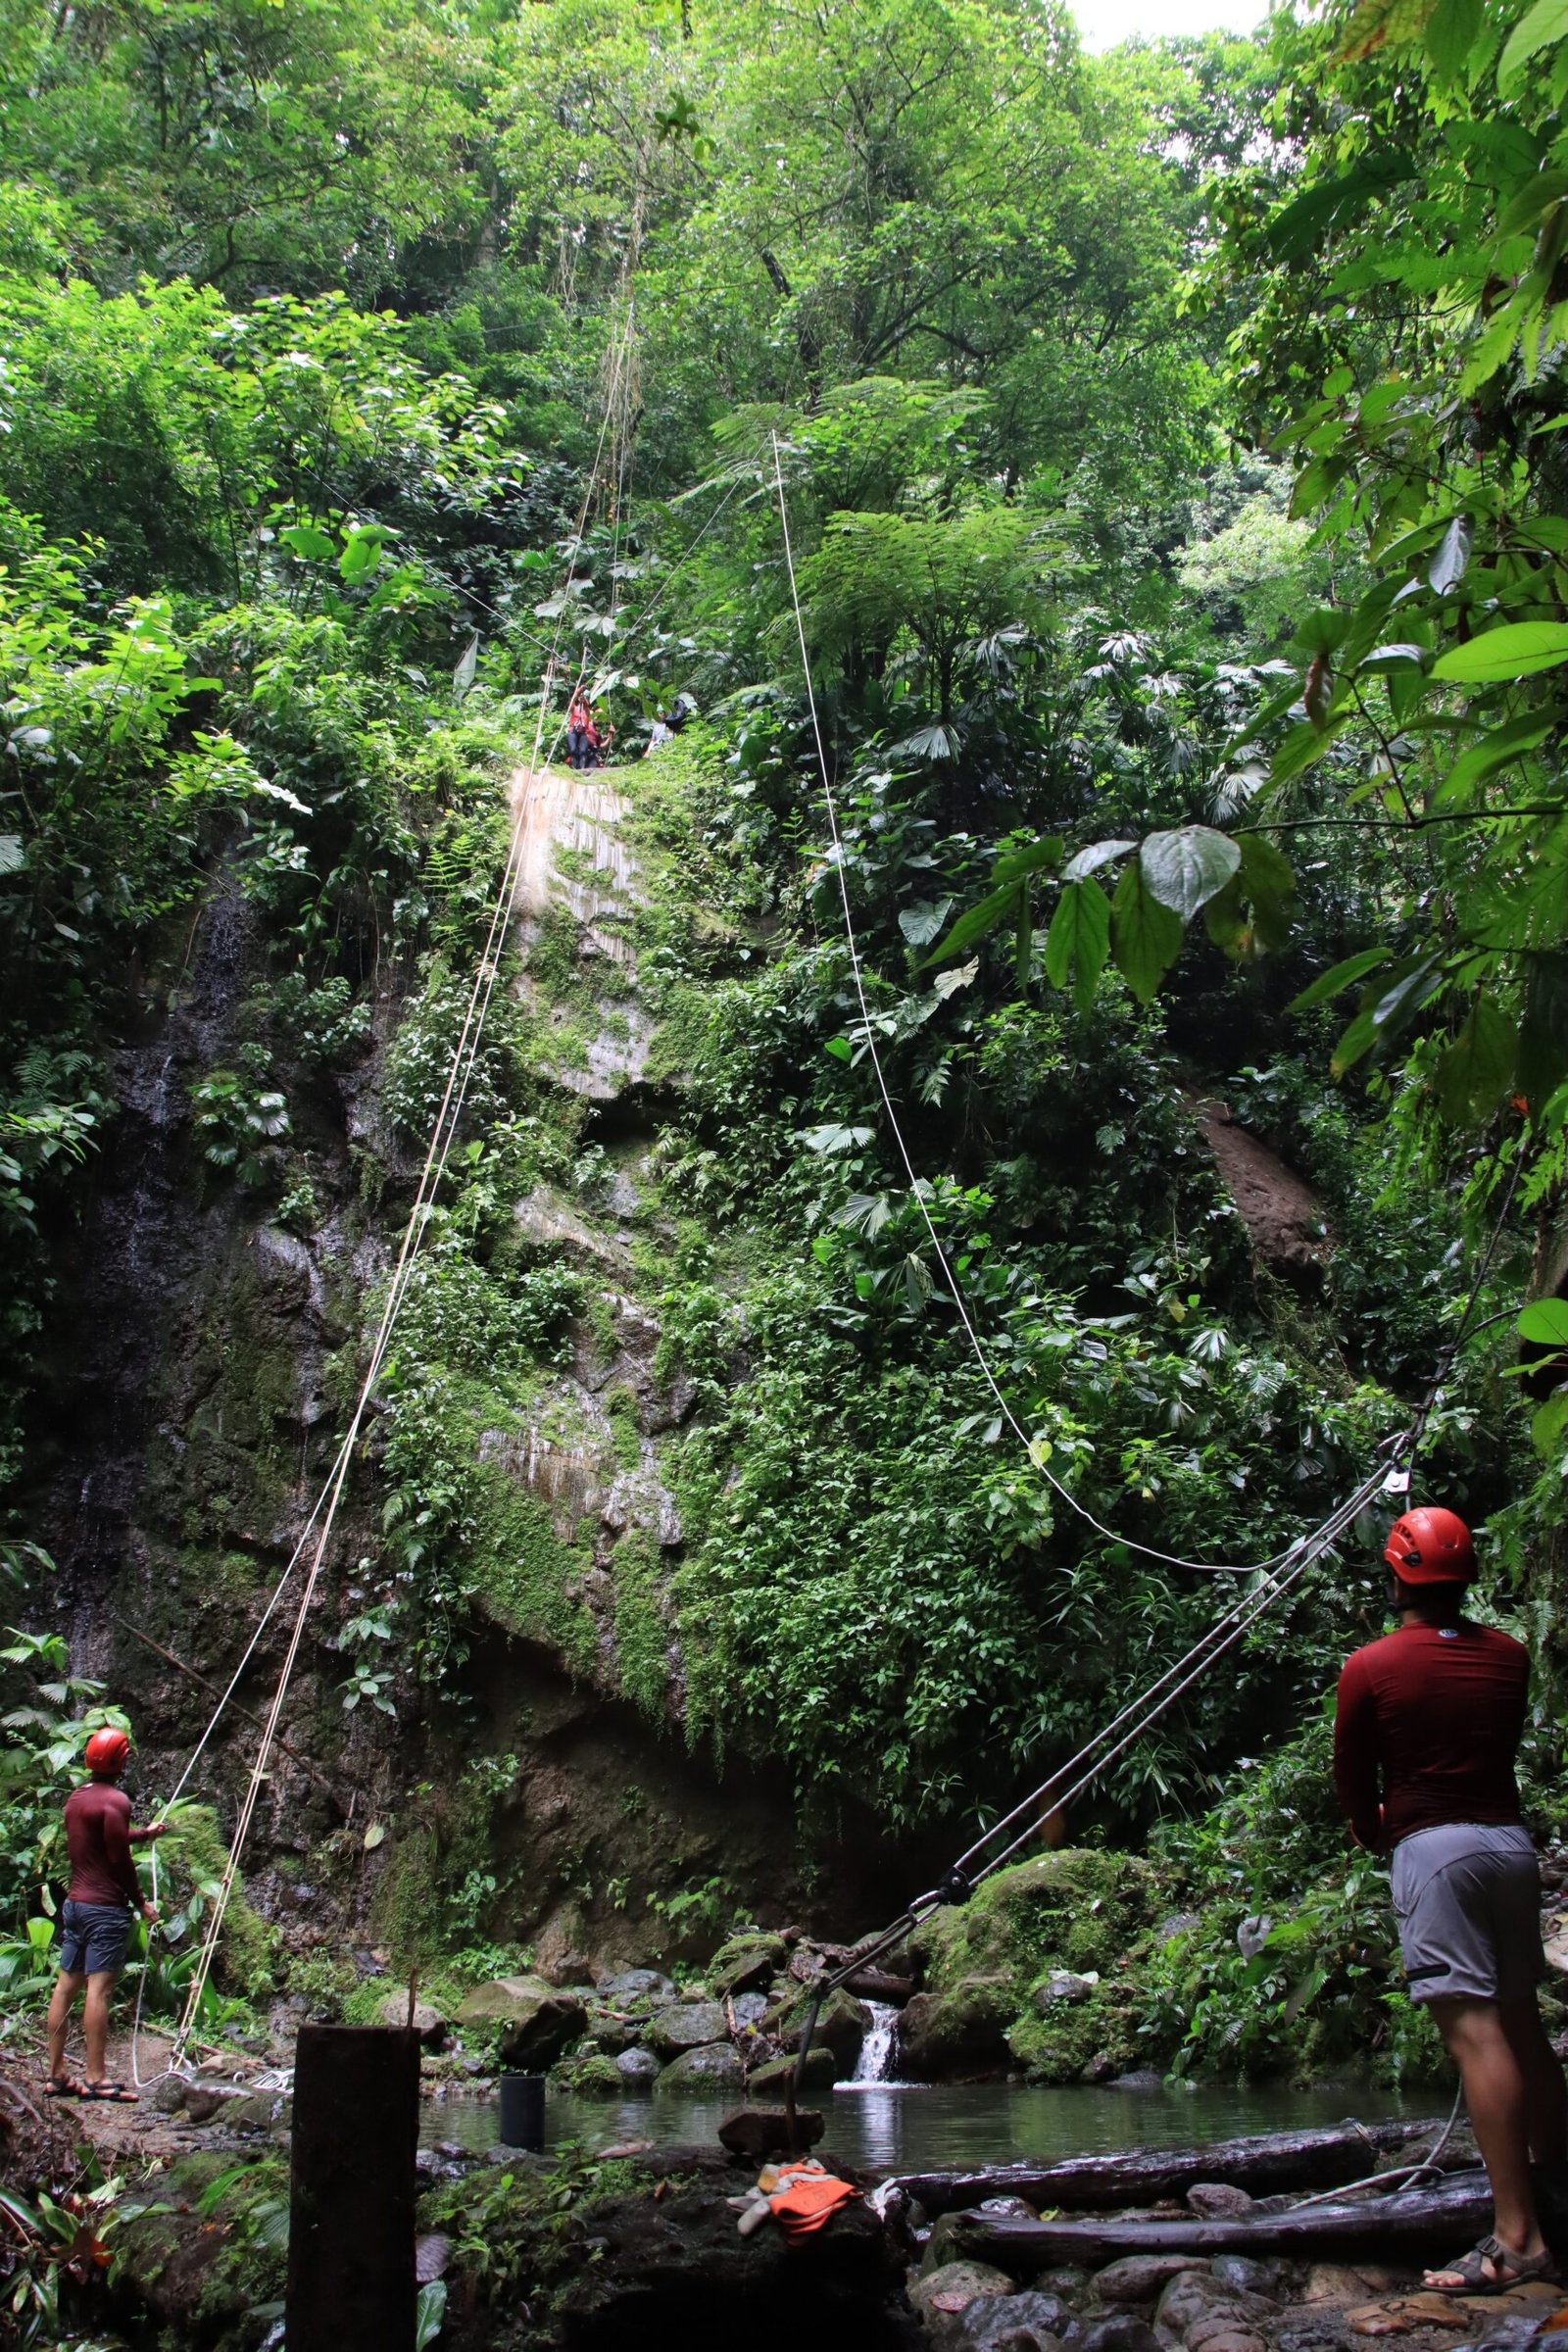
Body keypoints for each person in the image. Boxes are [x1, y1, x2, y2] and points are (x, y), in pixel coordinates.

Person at [1334, 1505, 1566, 2291]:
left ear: (1399, 1573)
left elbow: (1354, 1774)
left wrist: (1374, 1830)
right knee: (1522, 2022)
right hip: (1509, 1847)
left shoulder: (1368, 1666)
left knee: (1474, 2032)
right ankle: (1556, 2194)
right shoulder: (1510, 1653)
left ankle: (1518, 2237)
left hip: (1435, 1852)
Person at [44, 1725, 165, 2101]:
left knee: (65, 1987)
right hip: (104, 1910)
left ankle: (56, 2074)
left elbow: (104, 1836)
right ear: (122, 1760)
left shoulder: (77, 1799)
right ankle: (96, 2078)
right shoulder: (116, 1801)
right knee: (99, 1990)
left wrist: (142, 1833)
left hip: (75, 1906)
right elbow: (118, 1859)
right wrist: (141, 1902)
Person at [565, 689, 591, 772]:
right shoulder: (574, 708)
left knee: (583, 751)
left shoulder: (587, 711)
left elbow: (587, 706)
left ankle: (582, 769)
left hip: (583, 733)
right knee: (573, 750)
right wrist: (578, 692)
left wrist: (584, 701)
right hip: (573, 731)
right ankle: (574, 768)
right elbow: (572, 701)